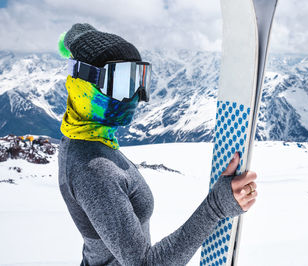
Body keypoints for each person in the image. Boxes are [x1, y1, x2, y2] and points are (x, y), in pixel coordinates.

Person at [58, 23, 258, 266]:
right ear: (83, 85)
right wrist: (216, 207)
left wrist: (78, 38)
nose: (135, 96)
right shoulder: (93, 168)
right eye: (122, 82)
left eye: (138, 80)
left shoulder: (84, 135)